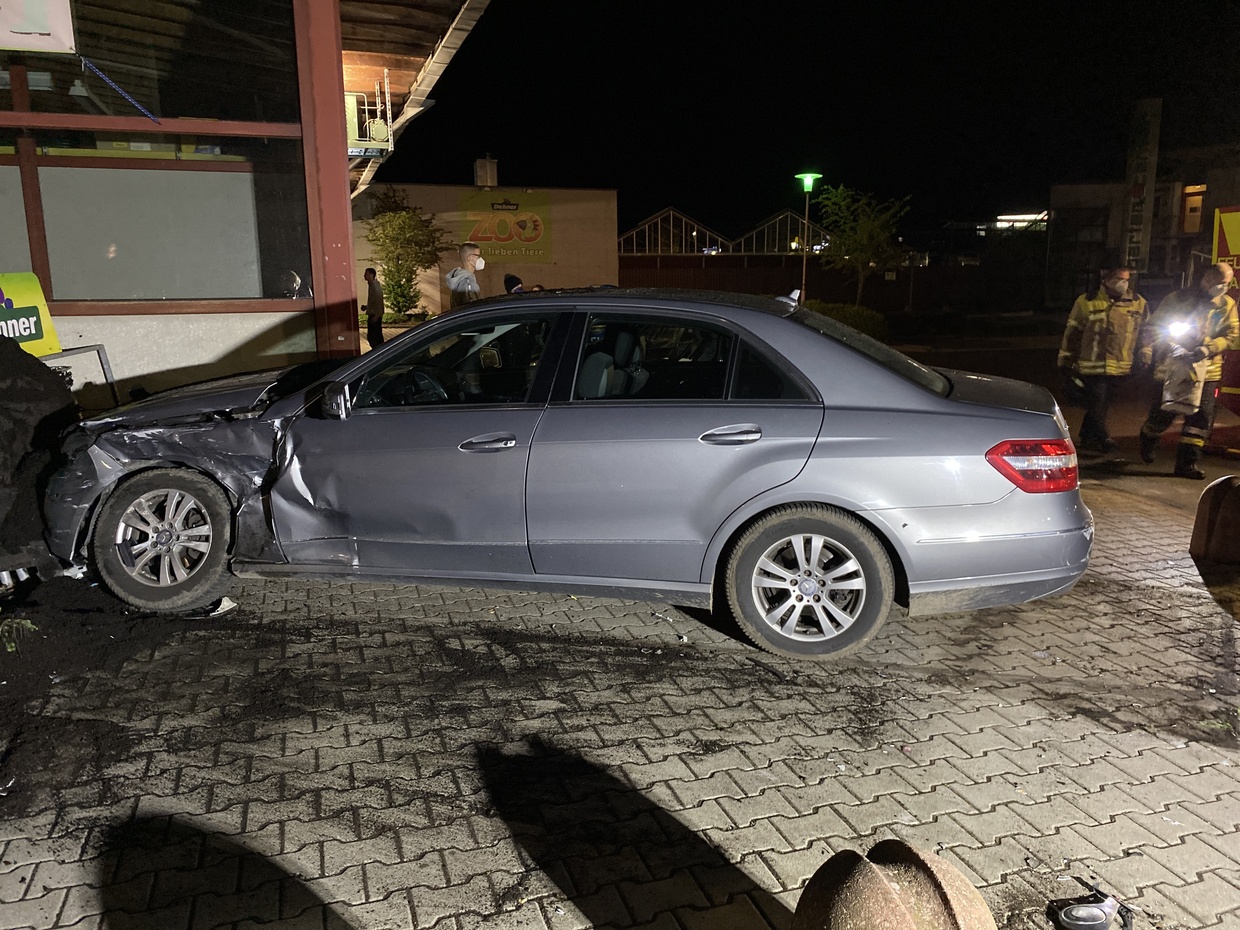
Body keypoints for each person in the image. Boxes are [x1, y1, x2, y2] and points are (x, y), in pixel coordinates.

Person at [1137, 262, 1239, 479]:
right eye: (1222, 282)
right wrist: (1160, 347)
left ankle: (1187, 463)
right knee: (1165, 412)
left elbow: (1232, 334)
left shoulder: (1226, 304)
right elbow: (1154, 326)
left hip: (1208, 371)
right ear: (1207, 279)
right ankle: (1149, 435)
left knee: (1201, 418)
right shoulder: (1177, 299)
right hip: (1173, 367)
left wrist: (1209, 348)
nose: (1224, 287)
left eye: (1228, 283)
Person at [1056, 267, 1148, 454]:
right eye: (1119, 279)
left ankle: (1087, 436)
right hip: (1092, 365)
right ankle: (1103, 437)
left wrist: (1145, 355)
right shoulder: (1086, 301)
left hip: (1121, 365)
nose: (1123, 283)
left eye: (1126, 279)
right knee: (1098, 401)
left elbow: (1146, 332)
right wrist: (1066, 358)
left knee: (1103, 403)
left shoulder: (1138, 303)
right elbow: (1073, 332)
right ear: (1106, 279)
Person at [446, 242, 484, 310]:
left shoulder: (458, 277)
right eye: (478, 256)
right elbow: (472, 308)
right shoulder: (467, 281)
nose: (480, 259)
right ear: (470, 258)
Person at [362, 267, 385, 349]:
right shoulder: (372, 285)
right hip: (374, 314)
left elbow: (379, 300)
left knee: (374, 338)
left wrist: (377, 315)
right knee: (375, 337)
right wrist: (367, 307)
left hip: (374, 316)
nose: (364, 276)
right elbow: (374, 301)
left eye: (366, 274)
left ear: (371, 275)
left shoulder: (375, 286)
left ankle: (379, 352)